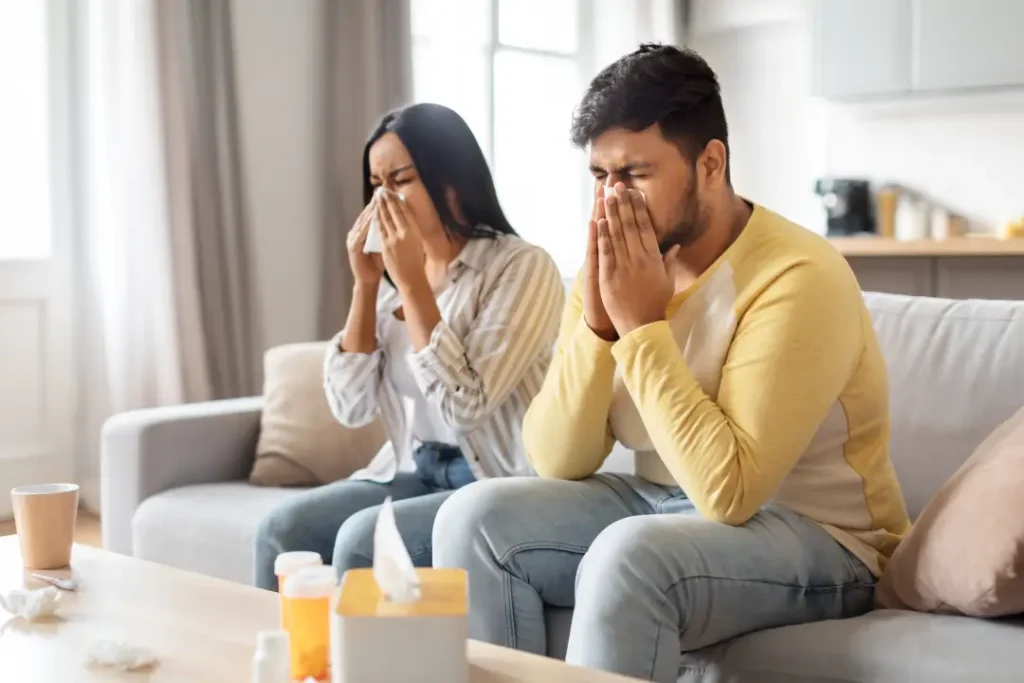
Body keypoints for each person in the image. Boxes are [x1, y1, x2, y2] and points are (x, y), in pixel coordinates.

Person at [431, 45, 910, 682]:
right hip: (662, 500)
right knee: (472, 518)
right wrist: (599, 327)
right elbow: (557, 459)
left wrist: (640, 326)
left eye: (634, 173)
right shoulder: (613, 265)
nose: (612, 199)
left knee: (629, 555)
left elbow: (729, 493)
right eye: (599, 175)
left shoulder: (799, 276)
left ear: (710, 164)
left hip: (824, 538)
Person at [253, 103, 564, 590]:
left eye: (400, 180)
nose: (384, 200)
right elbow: (351, 407)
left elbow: (468, 406)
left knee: (361, 541)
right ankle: (291, 644)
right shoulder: (393, 278)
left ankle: (362, 645)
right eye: (376, 184)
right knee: (280, 531)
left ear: (453, 180)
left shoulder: (521, 267)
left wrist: (413, 284)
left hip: (494, 482)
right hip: (420, 469)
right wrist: (365, 285)